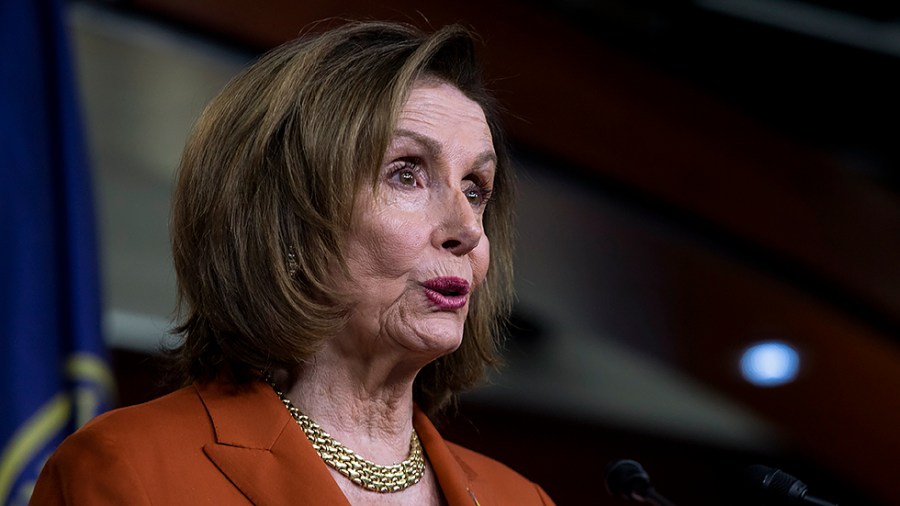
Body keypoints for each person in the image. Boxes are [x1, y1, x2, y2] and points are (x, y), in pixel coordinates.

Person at [31, 20, 554, 505]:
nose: (466, 230)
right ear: (288, 218)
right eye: (406, 174)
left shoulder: (521, 498)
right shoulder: (131, 470)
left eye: (476, 189)